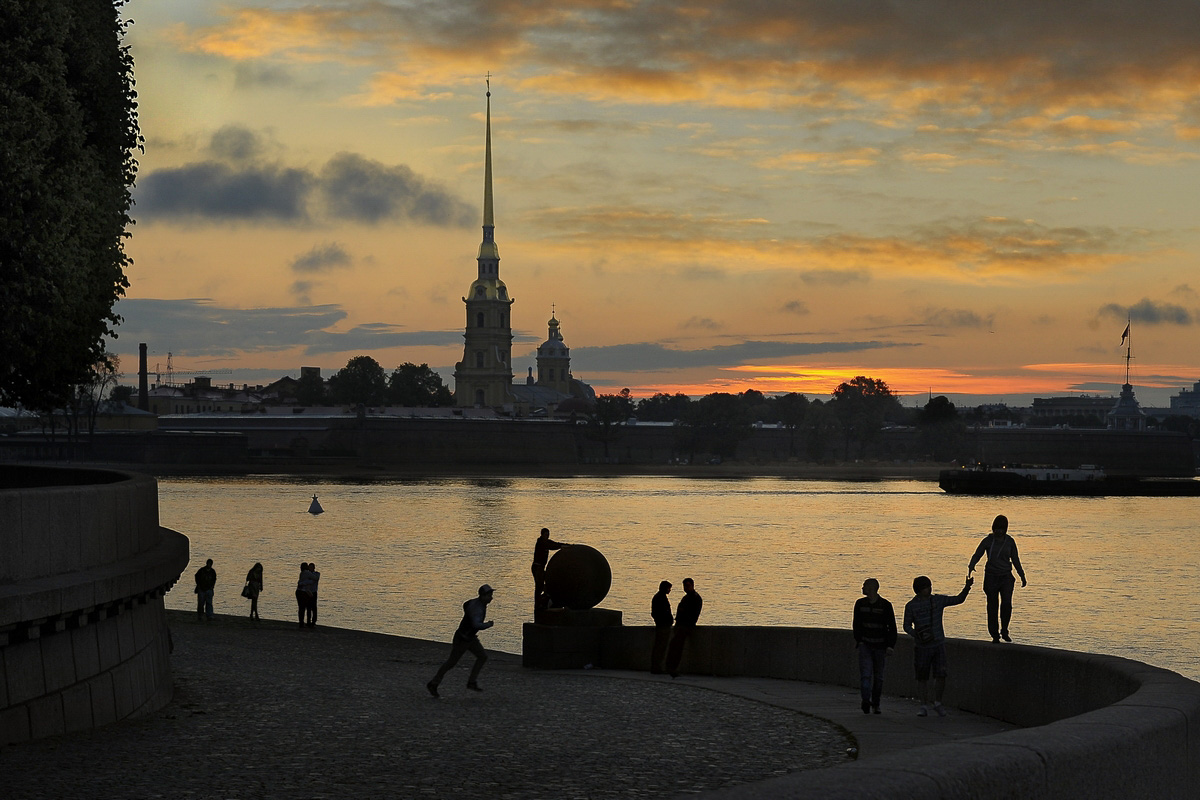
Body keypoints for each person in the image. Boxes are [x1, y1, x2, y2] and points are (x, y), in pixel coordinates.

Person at [903, 574, 973, 717]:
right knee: (922, 677)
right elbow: (906, 625)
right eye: (926, 587)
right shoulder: (911, 606)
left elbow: (958, 599)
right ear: (919, 590)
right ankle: (923, 705)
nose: (929, 589)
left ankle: (937, 703)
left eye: (929, 586)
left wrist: (967, 587)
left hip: (938, 644)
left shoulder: (938, 600)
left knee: (941, 675)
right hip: (921, 647)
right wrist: (916, 633)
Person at [968, 514, 1028, 643]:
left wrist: (1022, 575)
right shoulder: (988, 540)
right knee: (992, 606)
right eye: (996, 529)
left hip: (1006, 576)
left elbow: (1015, 559)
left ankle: (1004, 630)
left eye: (1001, 529)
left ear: (1005, 529)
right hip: (991, 577)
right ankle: (994, 634)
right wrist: (971, 565)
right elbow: (977, 554)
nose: (999, 531)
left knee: (1006, 604)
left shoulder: (1010, 541)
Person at [427, 585, 496, 697]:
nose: (491, 598)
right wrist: (488, 624)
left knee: (483, 657)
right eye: (489, 595)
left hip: (469, 638)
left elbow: (465, 604)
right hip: (463, 639)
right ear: (482, 596)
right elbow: (476, 624)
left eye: (491, 595)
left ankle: (472, 682)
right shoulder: (477, 609)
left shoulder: (474, 603)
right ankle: (433, 683)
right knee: (451, 663)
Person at [852, 577, 897, 714]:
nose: (862, 588)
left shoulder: (885, 605)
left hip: (880, 647)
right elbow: (856, 624)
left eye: (864, 586)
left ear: (871, 588)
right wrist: (859, 640)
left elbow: (892, 627)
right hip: (865, 644)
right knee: (865, 675)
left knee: (879, 677)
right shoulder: (860, 604)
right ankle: (866, 700)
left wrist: (890, 646)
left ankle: (876, 703)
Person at [665, 577, 702, 678]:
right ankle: (670, 667)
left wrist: (687, 624)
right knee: (674, 646)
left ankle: (672, 668)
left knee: (677, 648)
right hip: (680, 625)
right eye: (685, 586)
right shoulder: (687, 598)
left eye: (688, 586)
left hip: (685, 626)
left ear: (692, 586)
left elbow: (694, 614)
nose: (686, 588)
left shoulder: (695, 598)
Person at [531, 528, 567, 609]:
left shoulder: (546, 541)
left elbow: (555, 544)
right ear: (542, 534)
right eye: (546, 535)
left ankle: (544, 600)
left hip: (541, 567)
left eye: (548, 535)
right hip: (537, 567)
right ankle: (538, 605)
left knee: (544, 585)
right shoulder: (541, 542)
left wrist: (565, 545)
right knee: (539, 586)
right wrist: (561, 546)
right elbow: (551, 546)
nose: (547, 536)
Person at [649, 580, 673, 674]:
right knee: (660, 647)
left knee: (659, 647)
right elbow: (660, 613)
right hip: (662, 626)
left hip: (662, 625)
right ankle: (656, 667)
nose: (669, 590)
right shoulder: (661, 598)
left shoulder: (659, 597)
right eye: (669, 588)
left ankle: (656, 667)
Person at [295, 562, 314, 629]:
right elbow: (314, 577)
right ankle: (304, 623)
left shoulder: (302, 573)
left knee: (301, 608)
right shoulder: (307, 573)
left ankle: (301, 622)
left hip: (299, 591)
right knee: (304, 607)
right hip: (303, 592)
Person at [306, 562, 321, 627]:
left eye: (311, 567)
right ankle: (308, 621)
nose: (310, 568)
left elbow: (315, 579)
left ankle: (314, 621)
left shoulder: (317, 574)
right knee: (308, 607)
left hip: (313, 592)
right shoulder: (307, 574)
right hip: (308, 592)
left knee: (314, 607)